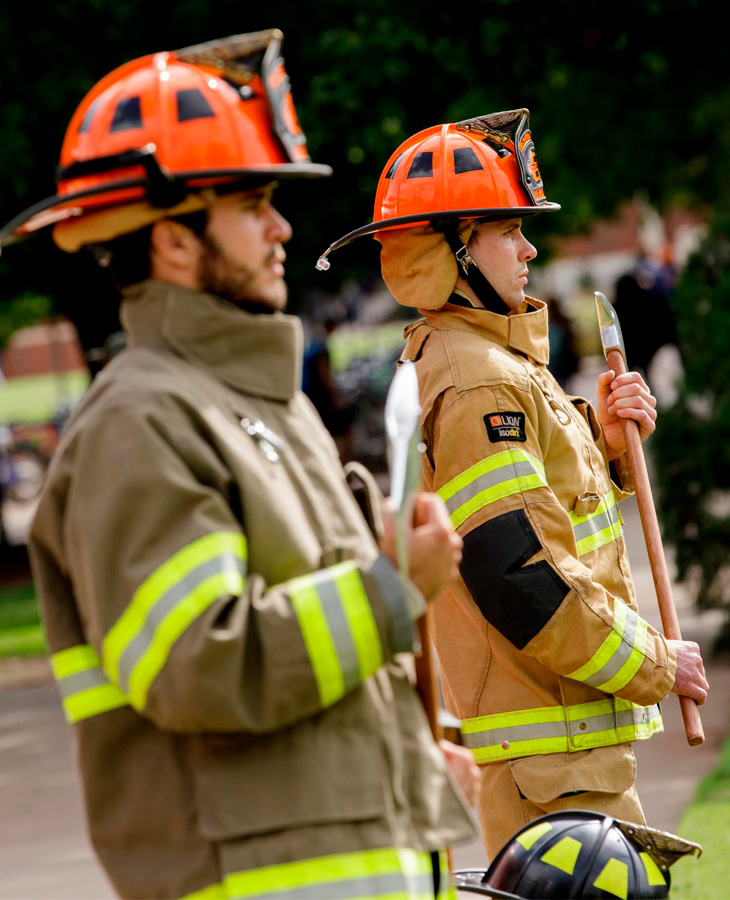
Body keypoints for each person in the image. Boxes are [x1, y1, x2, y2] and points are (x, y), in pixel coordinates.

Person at [1, 33, 480, 899]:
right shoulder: (139, 422)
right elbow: (200, 663)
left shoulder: (264, 406)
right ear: (175, 242)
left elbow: (318, 684)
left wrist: (410, 767)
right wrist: (389, 589)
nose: (282, 227)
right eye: (253, 202)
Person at [317, 109, 709, 861]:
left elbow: (539, 506)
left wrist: (608, 442)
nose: (529, 248)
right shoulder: (475, 379)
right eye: (505, 229)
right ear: (450, 250)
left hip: (564, 765)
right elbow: (522, 577)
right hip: (553, 771)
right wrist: (658, 661)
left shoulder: (487, 360)